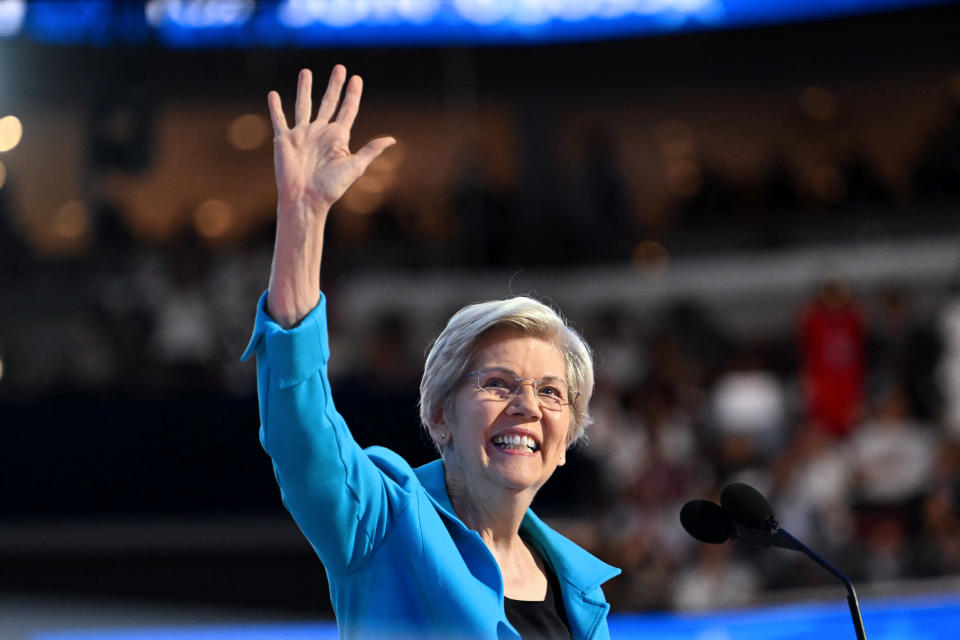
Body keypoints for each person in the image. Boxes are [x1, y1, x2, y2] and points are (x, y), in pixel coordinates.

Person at [242, 66, 619, 640]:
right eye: (497, 383)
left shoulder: (580, 590)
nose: (527, 407)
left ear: (566, 441)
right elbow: (302, 431)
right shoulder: (384, 527)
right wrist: (303, 217)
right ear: (440, 416)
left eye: (551, 393)